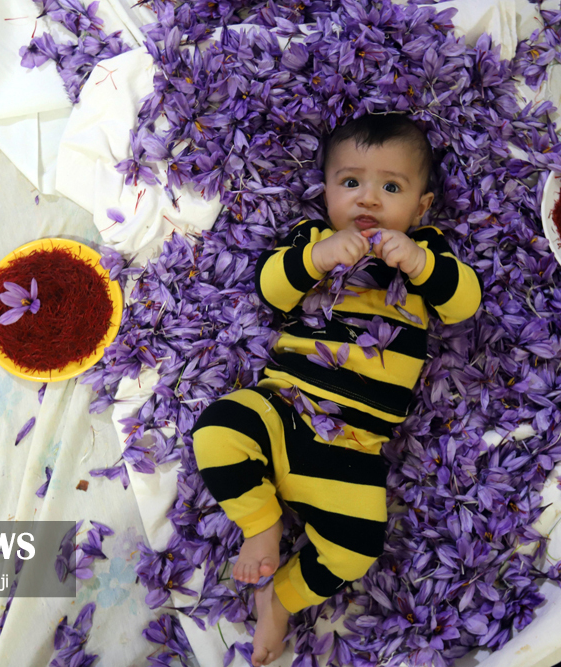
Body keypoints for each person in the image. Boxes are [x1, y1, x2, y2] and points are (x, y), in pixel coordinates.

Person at [192, 113, 483, 666]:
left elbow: (464, 304)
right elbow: (271, 289)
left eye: (391, 187)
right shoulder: (315, 240)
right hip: (285, 407)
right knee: (218, 429)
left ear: (421, 207)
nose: (367, 199)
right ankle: (262, 524)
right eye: (350, 183)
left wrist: (420, 263)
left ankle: (281, 597)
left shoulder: (428, 250)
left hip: (353, 445)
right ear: (326, 191)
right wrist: (316, 260)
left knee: (357, 547)